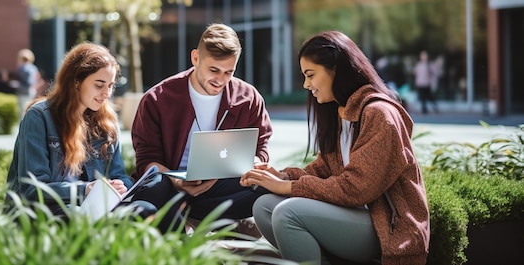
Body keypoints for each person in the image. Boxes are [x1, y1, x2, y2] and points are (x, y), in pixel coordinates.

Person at [240, 31, 430, 265]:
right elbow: (324, 169)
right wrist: (282, 175)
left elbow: (356, 188)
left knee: (287, 213)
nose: (306, 84)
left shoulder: (379, 114)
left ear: (336, 70)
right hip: (352, 216)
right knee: (264, 206)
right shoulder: (341, 112)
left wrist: (288, 186)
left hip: (387, 228)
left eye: (310, 75)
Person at [130, 23, 273, 234]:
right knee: (152, 189)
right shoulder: (157, 98)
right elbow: (146, 160)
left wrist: (248, 165)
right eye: (214, 70)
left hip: (221, 184)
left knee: (267, 187)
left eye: (229, 72)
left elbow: (260, 147)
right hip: (171, 183)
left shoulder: (248, 97)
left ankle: (192, 218)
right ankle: (209, 223)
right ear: (195, 58)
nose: (220, 80)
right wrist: (176, 180)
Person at [6, 42, 156, 220]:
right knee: (77, 215)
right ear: (75, 82)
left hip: (95, 207)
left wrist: (120, 185)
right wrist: (84, 190)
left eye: (110, 85)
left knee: (146, 209)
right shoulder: (39, 117)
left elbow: (119, 174)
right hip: (48, 209)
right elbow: (32, 188)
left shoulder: (107, 121)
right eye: (99, 85)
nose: (106, 93)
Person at [16, 48, 39, 118]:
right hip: (31, 91)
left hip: (23, 91)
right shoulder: (33, 68)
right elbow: (35, 80)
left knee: (22, 113)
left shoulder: (22, 68)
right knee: (29, 110)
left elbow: (26, 81)